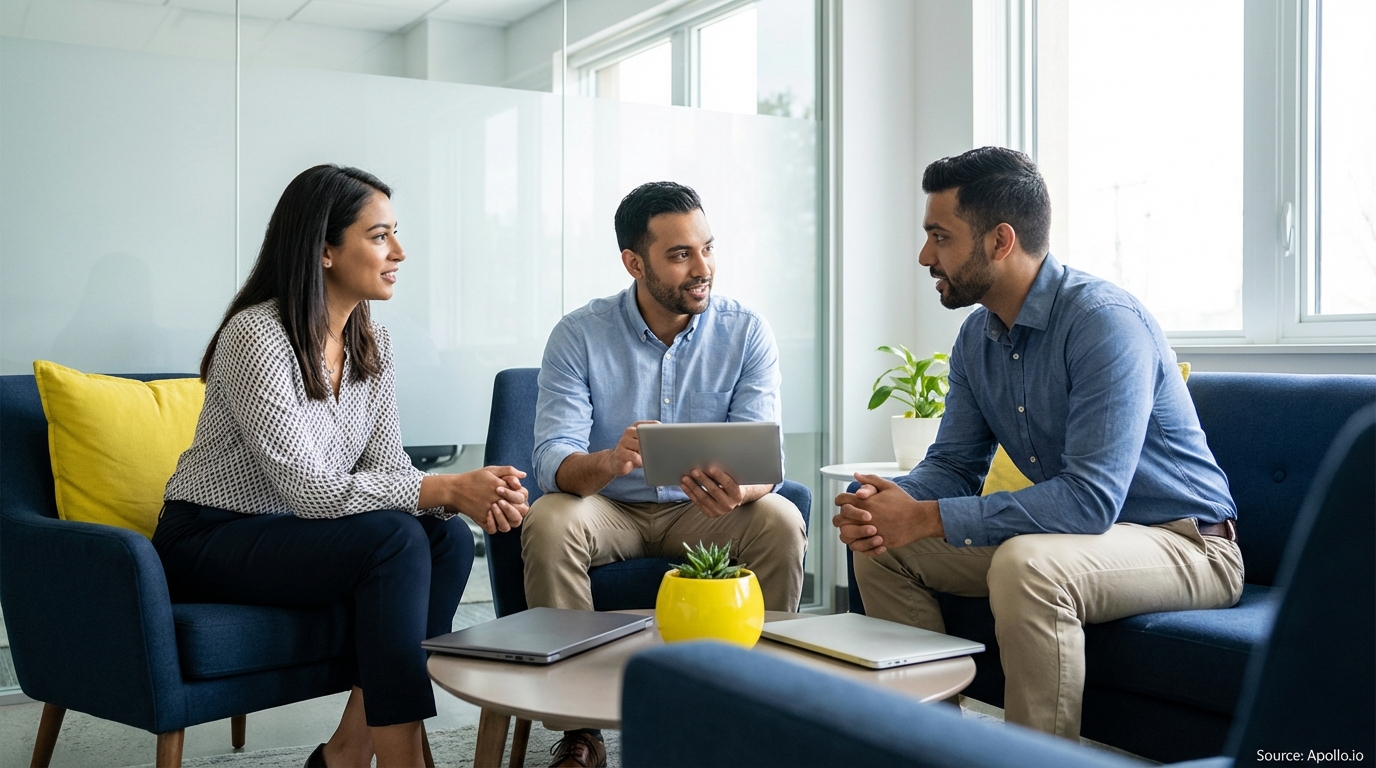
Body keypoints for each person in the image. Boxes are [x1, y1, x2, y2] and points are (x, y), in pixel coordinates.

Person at [833, 147, 1243, 740]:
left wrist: (926, 516)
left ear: (1000, 241)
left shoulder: (1103, 322)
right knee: (881, 544)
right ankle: (931, 745)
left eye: (939, 237)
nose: (926, 256)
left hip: (1184, 543)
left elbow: (1089, 500)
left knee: (1027, 565)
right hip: (1082, 541)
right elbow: (952, 464)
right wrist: (888, 499)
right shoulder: (977, 337)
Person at [154, 165, 529, 768]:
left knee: (447, 541)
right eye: (379, 236)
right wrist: (447, 485)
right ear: (324, 250)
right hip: (208, 535)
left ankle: (348, 753)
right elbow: (306, 489)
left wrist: (462, 496)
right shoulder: (259, 336)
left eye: (395, 234)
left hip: (294, 535)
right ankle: (402, 759)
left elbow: (385, 466)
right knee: (398, 538)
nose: (399, 252)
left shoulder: (368, 339)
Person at [524, 181, 807, 767]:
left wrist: (743, 489)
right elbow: (552, 461)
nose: (701, 267)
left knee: (779, 518)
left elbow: (764, 463)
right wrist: (610, 459)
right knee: (550, 520)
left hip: (706, 512)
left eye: (706, 248)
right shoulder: (578, 334)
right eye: (680, 254)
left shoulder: (746, 331)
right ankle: (581, 730)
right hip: (612, 509)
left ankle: (754, 706)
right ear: (634, 262)